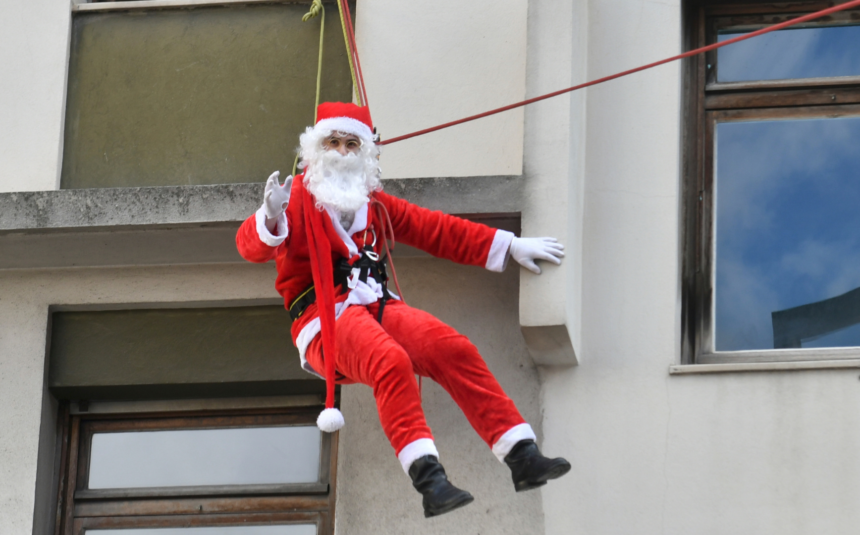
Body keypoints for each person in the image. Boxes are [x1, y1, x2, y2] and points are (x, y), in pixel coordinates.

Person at [236, 102, 570, 518]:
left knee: (452, 348)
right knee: (391, 361)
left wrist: (509, 245)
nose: (341, 151)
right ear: (316, 150)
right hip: (324, 321)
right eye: (333, 142)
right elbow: (249, 247)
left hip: (376, 306)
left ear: (365, 152)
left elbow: (437, 230)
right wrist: (269, 214)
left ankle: (522, 456)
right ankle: (430, 481)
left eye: (351, 143)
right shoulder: (297, 199)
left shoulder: (372, 203)